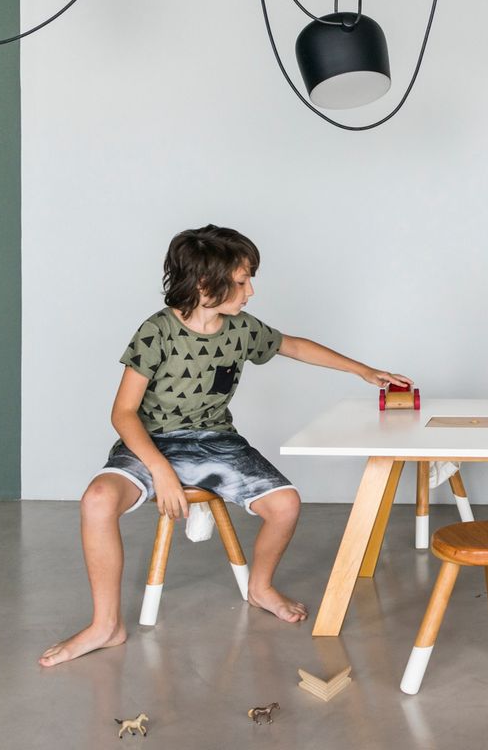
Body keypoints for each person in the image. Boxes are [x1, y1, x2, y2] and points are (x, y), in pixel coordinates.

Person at [39, 224, 410, 667]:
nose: (251, 291)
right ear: (202, 284)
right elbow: (123, 413)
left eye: (249, 278)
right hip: (150, 442)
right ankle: (106, 625)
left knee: (286, 504)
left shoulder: (241, 329)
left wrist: (363, 371)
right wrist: (159, 468)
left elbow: (292, 345)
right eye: (241, 280)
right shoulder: (156, 332)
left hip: (218, 442)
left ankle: (261, 587)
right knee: (97, 501)